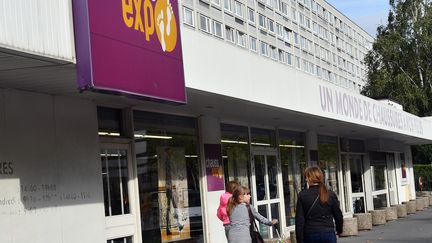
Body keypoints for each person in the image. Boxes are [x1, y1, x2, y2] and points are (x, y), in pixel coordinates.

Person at [295, 166, 343, 243]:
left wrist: (299, 240)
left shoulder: (303, 195)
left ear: (310, 178)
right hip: (328, 233)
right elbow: (338, 215)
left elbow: (299, 221)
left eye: (306, 177)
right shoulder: (330, 194)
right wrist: (339, 229)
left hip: (310, 234)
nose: (306, 179)